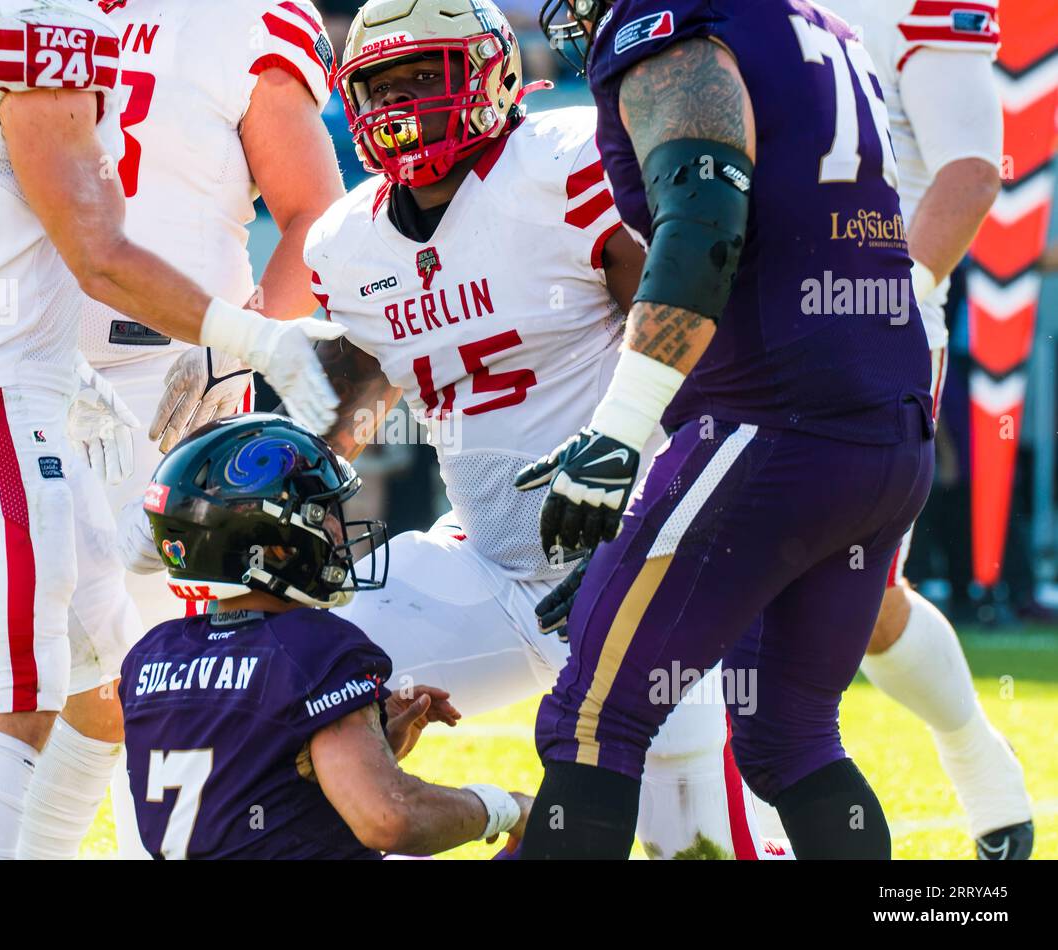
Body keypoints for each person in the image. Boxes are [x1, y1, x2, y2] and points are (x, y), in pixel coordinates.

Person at [0, 0, 347, 860]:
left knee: (133, 672)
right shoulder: (10, 11)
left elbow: (316, 215)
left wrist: (243, 344)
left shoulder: (244, 18)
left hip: (162, 388)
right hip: (7, 379)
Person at [302, 0, 770, 859]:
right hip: (489, 563)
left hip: (642, 555)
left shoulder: (563, 160)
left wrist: (668, 527)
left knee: (698, 842)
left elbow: (700, 347)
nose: (401, 100)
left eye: (424, 74)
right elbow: (354, 406)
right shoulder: (345, 240)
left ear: (489, 73)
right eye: (381, 81)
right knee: (293, 683)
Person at [518, 0, 935, 859]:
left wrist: (621, 431)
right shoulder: (815, 25)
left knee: (592, 720)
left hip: (777, 422)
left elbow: (705, 219)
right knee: (792, 738)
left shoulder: (670, 25)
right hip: (885, 427)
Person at [123, 413, 532, 859]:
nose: (339, 530)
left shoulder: (149, 656)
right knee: (556, 835)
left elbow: (240, 798)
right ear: (275, 545)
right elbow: (391, 819)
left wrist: (369, 751)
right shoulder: (315, 647)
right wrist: (505, 807)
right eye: (323, 513)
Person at [823, 0, 1031, 860]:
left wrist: (882, 309)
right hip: (739, 320)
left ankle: (975, 755)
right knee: (726, 578)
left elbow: (972, 172)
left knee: (859, 596)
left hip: (871, 328)